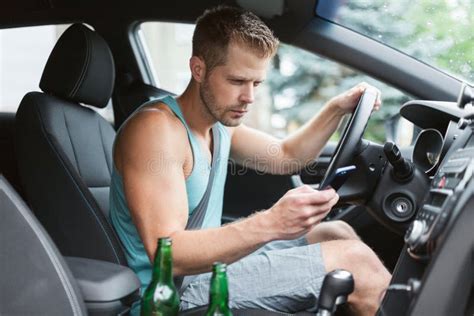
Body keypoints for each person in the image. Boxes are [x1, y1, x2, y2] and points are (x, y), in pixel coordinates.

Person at [109, 6, 390, 315]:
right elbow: (169, 256)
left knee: (335, 233)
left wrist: (336, 109)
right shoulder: (155, 131)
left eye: (256, 83)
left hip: (204, 273)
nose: (249, 97)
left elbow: (286, 157)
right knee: (356, 263)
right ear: (198, 69)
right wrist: (272, 222)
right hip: (169, 298)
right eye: (237, 81)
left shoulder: (216, 125)